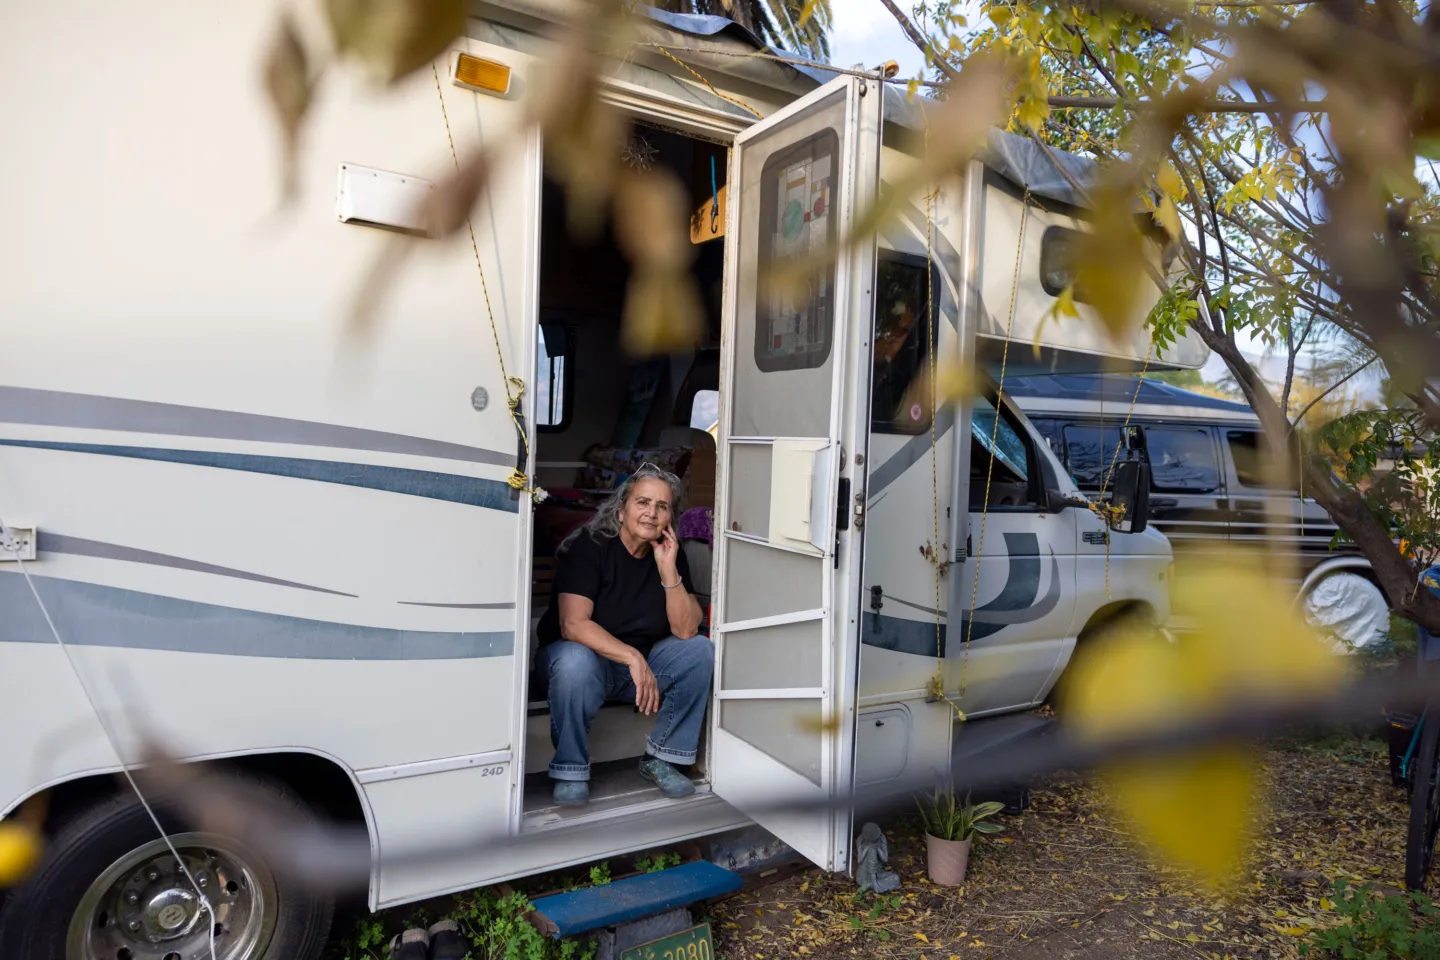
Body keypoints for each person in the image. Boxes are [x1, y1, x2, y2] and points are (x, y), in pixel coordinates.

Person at [536, 463, 713, 807]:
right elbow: (573, 624)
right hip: (580, 666)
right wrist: (633, 657)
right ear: (621, 511)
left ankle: (663, 758)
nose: (651, 513)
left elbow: (686, 629)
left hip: (637, 669)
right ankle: (570, 767)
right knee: (575, 660)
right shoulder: (591, 546)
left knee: (700, 651)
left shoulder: (670, 556)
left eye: (662, 507)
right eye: (642, 503)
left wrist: (668, 570)